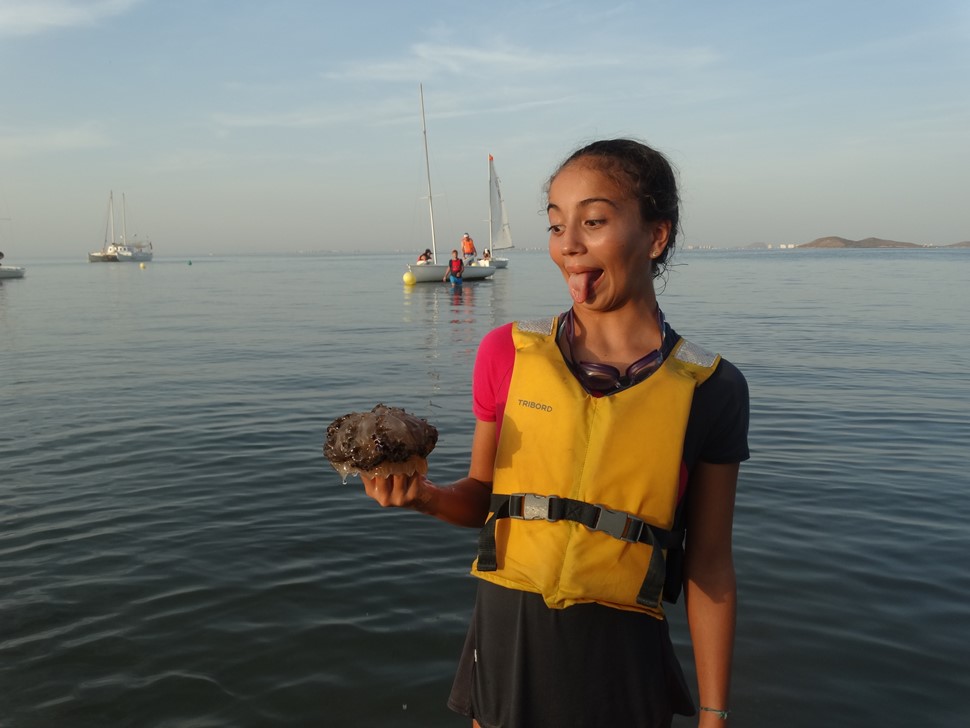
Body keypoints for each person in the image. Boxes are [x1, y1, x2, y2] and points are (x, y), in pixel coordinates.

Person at [362, 138, 749, 727]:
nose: (568, 245)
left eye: (592, 221)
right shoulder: (506, 354)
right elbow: (484, 497)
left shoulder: (712, 388)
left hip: (625, 662)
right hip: (506, 642)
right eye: (555, 224)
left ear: (655, 236)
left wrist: (714, 715)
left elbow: (710, 567)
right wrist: (427, 498)